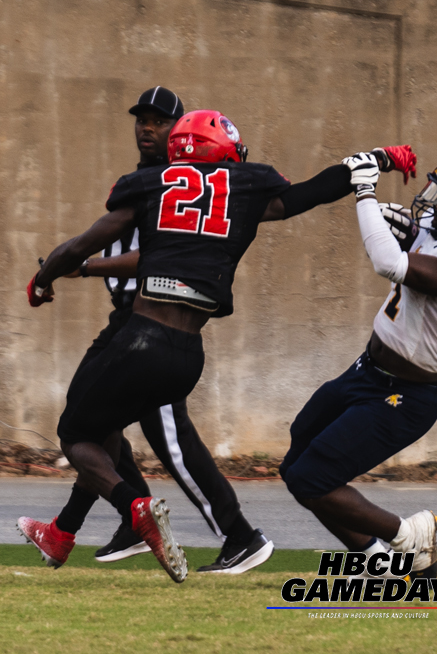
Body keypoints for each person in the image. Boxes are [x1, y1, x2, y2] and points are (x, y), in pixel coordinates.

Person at [23, 104, 415, 581]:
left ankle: (144, 513)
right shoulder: (246, 188)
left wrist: (45, 277)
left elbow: (81, 244)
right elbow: (311, 193)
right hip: (189, 353)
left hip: (142, 335)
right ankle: (65, 531)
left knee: (77, 434)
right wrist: (378, 159)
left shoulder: (150, 185)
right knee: (105, 425)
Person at [17, 87, 277, 576]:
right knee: (99, 427)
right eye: (142, 119)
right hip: (132, 319)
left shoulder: (183, 184)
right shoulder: (143, 181)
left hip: (159, 323)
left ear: (180, 133)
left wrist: (87, 267)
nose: (147, 128)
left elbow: (155, 258)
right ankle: (114, 521)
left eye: (159, 122)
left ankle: (237, 534)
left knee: (169, 442)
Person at [278, 151, 437, 577]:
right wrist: (411, 230)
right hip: (367, 371)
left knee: (311, 479)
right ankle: (392, 565)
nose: (436, 205)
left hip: (406, 394)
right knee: (296, 463)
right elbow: (420, 243)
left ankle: (408, 535)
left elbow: (388, 263)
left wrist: (366, 191)